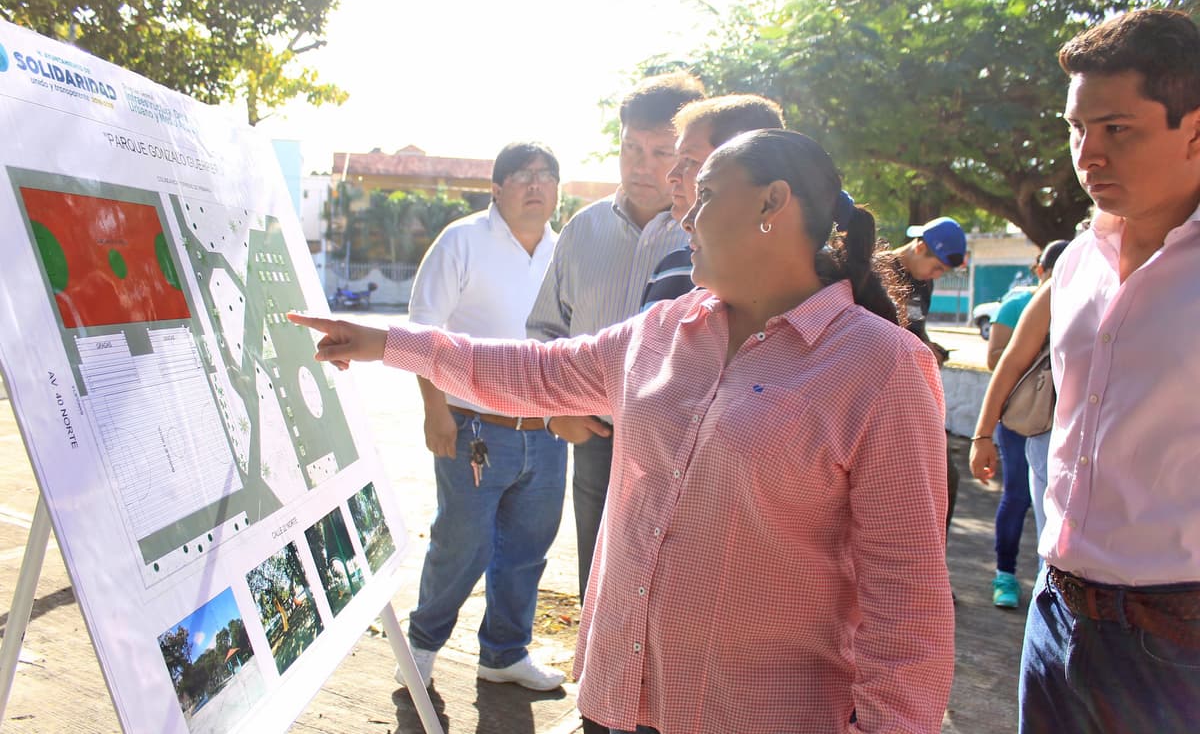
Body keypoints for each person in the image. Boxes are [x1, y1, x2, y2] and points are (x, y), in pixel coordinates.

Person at [290, 129, 954, 734]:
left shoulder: (880, 366)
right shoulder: (667, 329)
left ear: (771, 204)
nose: (685, 219)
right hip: (619, 702)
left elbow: (907, 601)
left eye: (706, 198)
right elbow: (536, 371)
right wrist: (389, 341)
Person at [1017, 8, 1200, 732]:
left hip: (1174, 641)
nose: (1087, 153)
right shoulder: (1077, 262)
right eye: (1075, 128)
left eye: (1116, 129)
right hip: (1056, 612)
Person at [525, 71, 705, 608]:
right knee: (597, 583)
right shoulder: (583, 230)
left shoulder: (710, 230)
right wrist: (555, 410)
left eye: (660, 151)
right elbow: (544, 330)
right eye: (630, 147)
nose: (641, 165)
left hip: (688, 447)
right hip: (598, 442)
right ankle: (597, 691)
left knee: (676, 594)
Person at [397, 142, 569, 691]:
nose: (536, 185)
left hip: (544, 433)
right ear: (497, 189)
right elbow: (424, 333)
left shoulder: (563, 251)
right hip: (473, 428)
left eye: (547, 175)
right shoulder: (462, 241)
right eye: (522, 175)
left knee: (525, 551)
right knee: (462, 544)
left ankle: (503, 654)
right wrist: (435, 411)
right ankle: (421, 646)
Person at [972, 239, 1069, 609]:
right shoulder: (1023, 302)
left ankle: (1052, 593)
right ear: (1040, 269)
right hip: (1027, 418)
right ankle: (1006, 575)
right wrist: (983, 433)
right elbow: (1000, 360)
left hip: (1070, 425)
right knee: (1018, 496)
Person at [639, 93, 785, 309]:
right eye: (676, 159)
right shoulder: (668, 270)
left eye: (689, 160)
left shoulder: (809, 282)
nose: (672, 174)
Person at [879, 216, 966, 536]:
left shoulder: (922, 283)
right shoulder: (875, 271)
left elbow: (914, 331)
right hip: (877, 395)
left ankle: (933, 567)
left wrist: (931, 349)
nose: (936, 276)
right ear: (920, 246)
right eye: (937, 267)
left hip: (910, 390)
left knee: (944, 476)